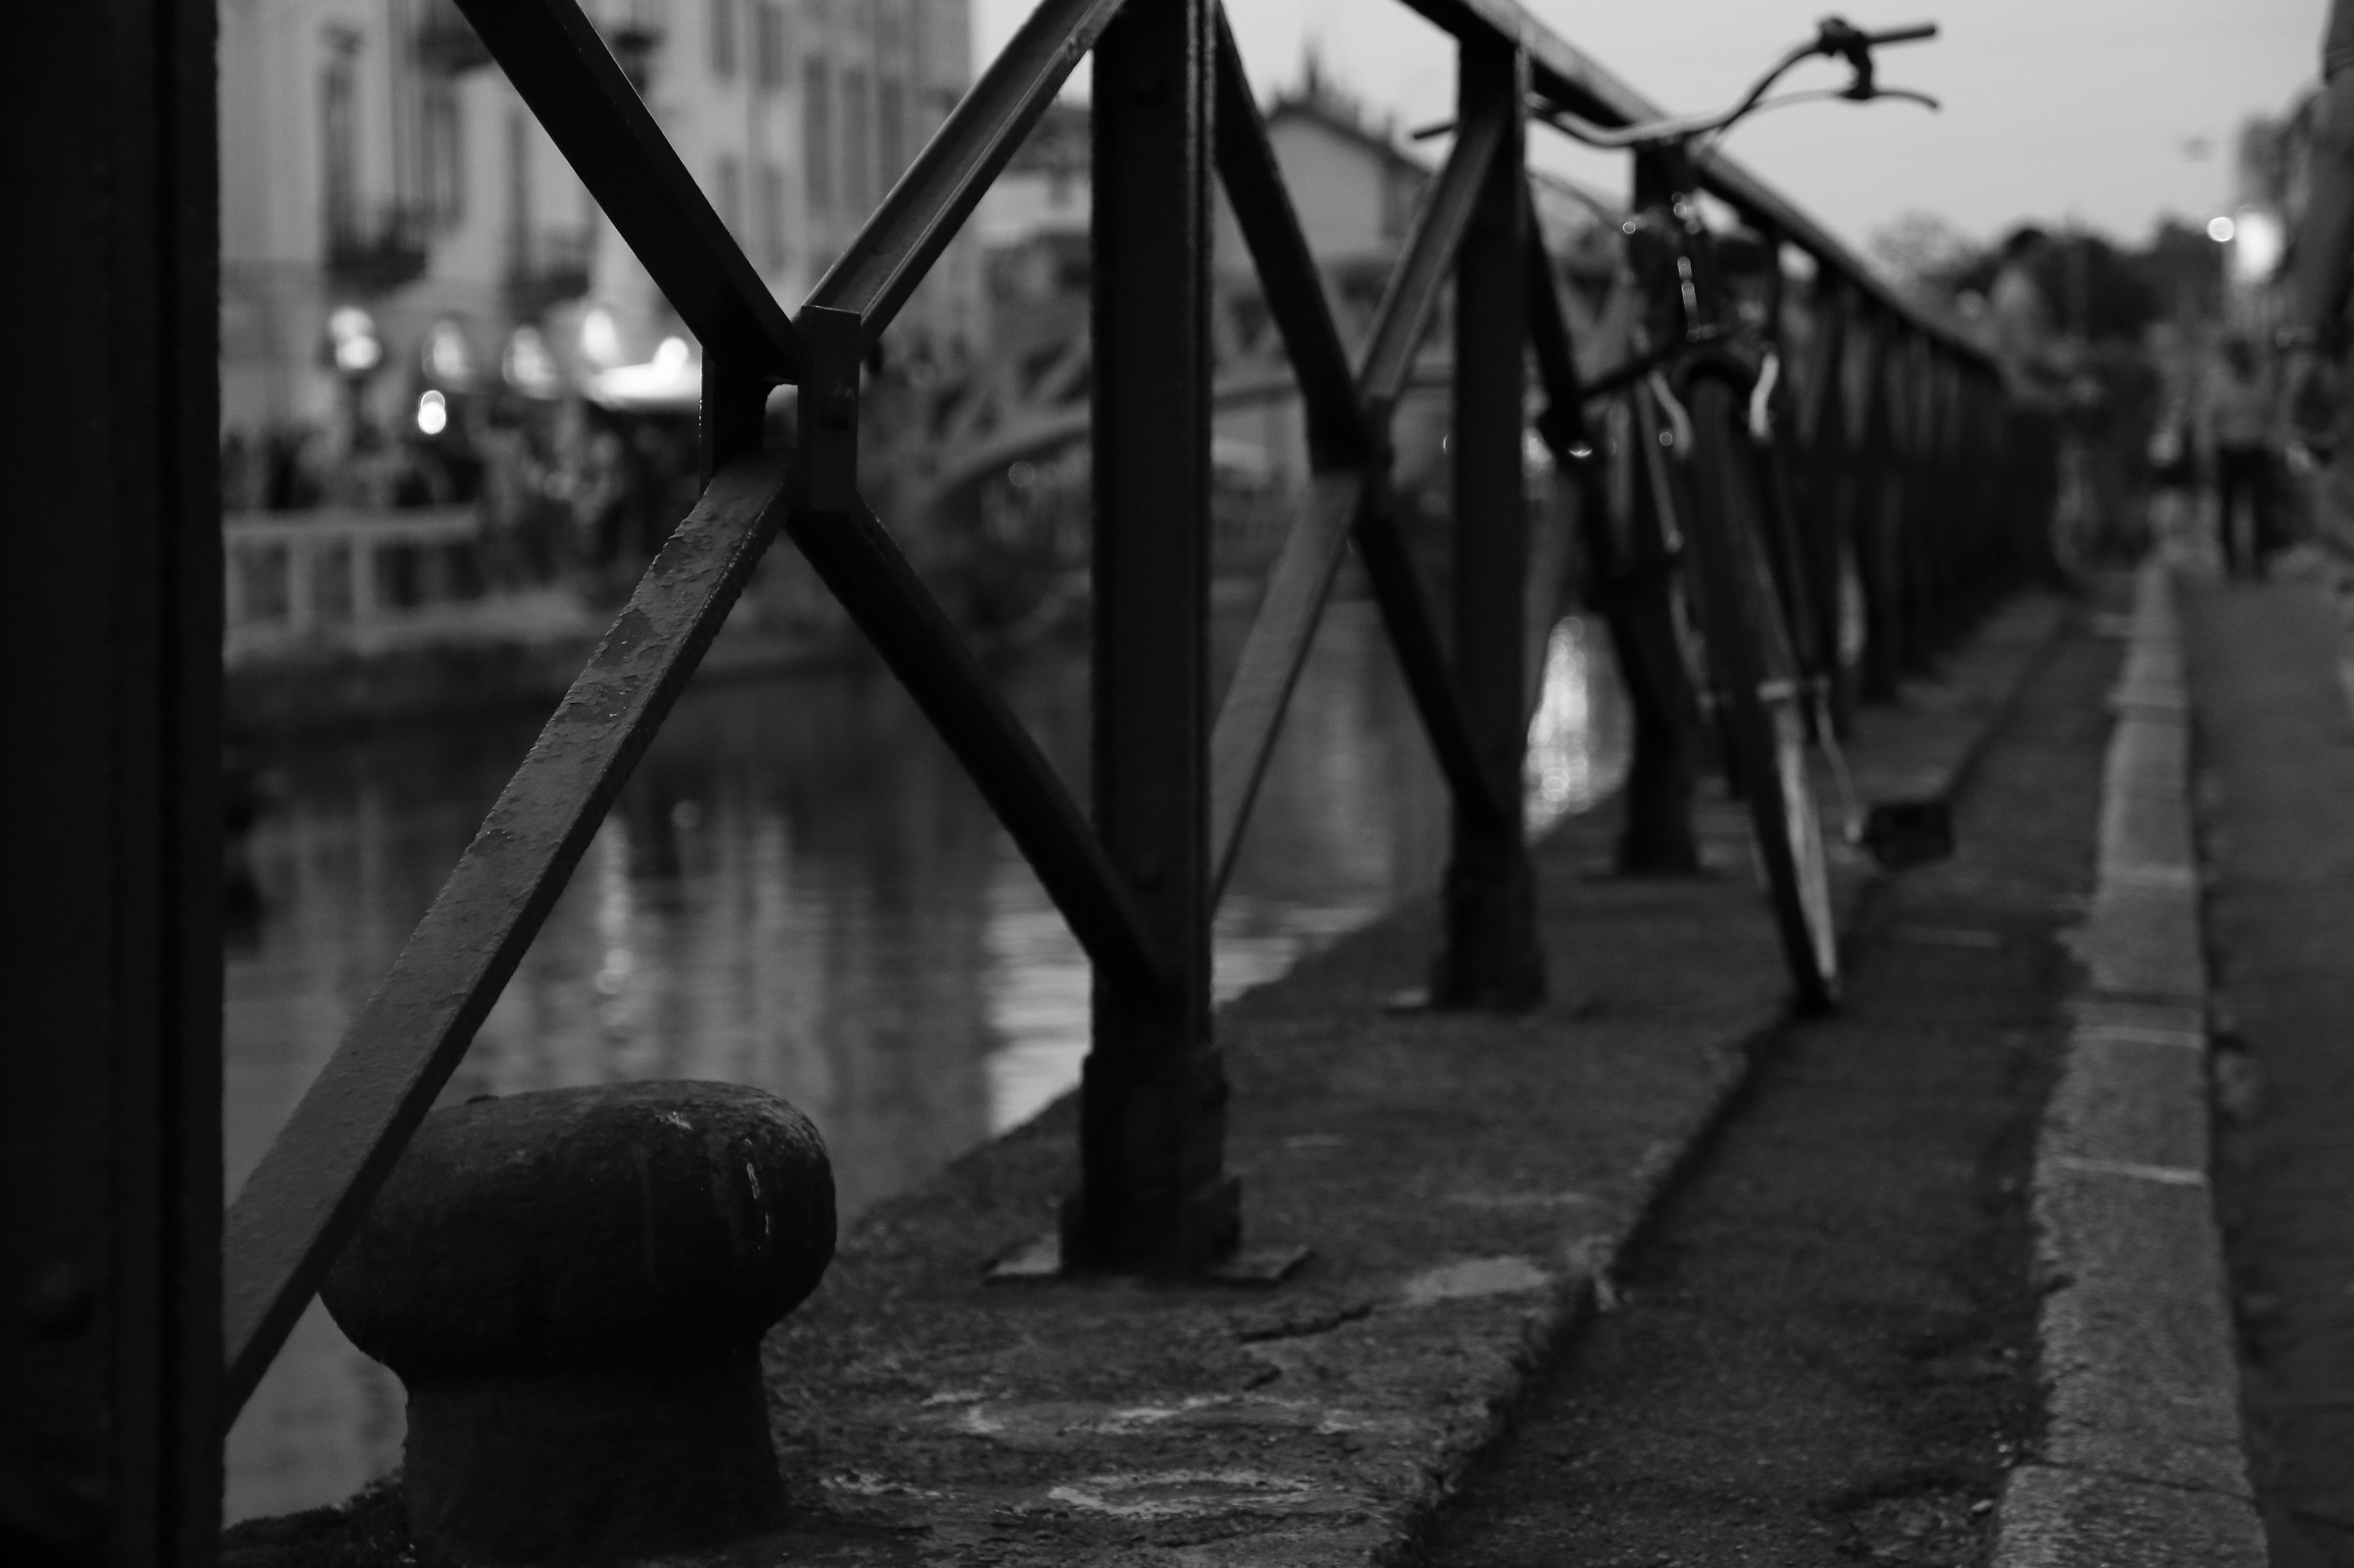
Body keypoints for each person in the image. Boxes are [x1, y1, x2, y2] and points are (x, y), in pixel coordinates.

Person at [2199, 335, 2280, 578]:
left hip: (2257, 450)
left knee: (2261, 507)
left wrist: (2275, 447)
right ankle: (2230, 561)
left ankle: (2260, 559)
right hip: (2228, 450)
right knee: (2227, 508)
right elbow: (2208, 419)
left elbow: (2273, 415)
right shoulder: (2219, 383)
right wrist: (2207, 452)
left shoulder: (2263, 382)